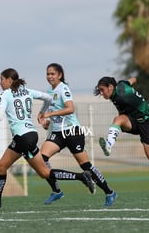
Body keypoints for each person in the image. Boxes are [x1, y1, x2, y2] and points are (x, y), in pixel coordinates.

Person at [0, 68, 94, 209]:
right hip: (31, 134)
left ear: (9, 80)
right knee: (42, 172)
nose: (0, 83)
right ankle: (81, 177)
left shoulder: (5, 94)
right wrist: (42, 112)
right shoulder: (27, 91)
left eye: (1, 79)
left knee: (4, 166)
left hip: (22, 138)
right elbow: (47, 98)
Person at [38, 63, 117, 207]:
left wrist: (49, 113)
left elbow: (70, 109)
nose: (49, 76)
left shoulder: (64, 89)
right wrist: (47, 123)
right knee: (41, 160)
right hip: (57, 133)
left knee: (85, 165)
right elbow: (56, 115)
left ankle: (109, 192)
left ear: (60, 75)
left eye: (52, 74)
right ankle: (56, 191)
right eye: (48, 74)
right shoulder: (49, 92)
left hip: (72, 132)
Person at [94, 76, 149, 200]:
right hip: (135, 121)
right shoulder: (120, 85)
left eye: (103, 90)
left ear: (110, 87)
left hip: (147, 121)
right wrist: (134, 79)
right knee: (118, 120)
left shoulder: (121, 97)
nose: (102, 93)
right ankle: (108, 146)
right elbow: (131, 80)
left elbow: (128, 105)